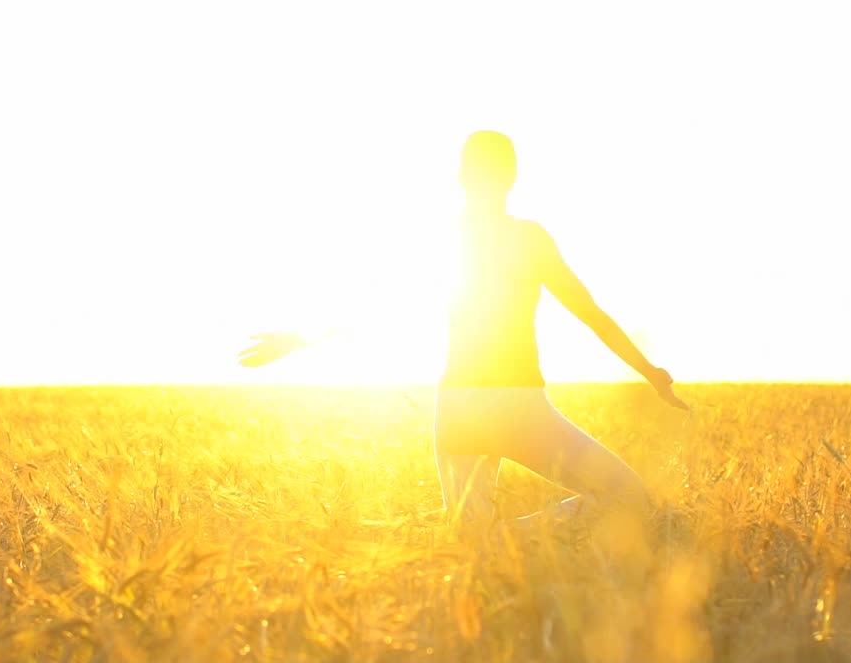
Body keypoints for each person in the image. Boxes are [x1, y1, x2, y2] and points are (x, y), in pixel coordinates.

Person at [238, 130, 688, 529]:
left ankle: (493, 541)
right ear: (512, 176)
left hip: (459, 408)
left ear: (460, 176)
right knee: (630, 501)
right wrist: (648, 370)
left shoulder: (443, 238)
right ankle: (512, 539)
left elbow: (374, 306)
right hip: (519, 405)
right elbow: (590, 313)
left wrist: (297, 339)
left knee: (471, 539)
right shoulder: (528, 238)